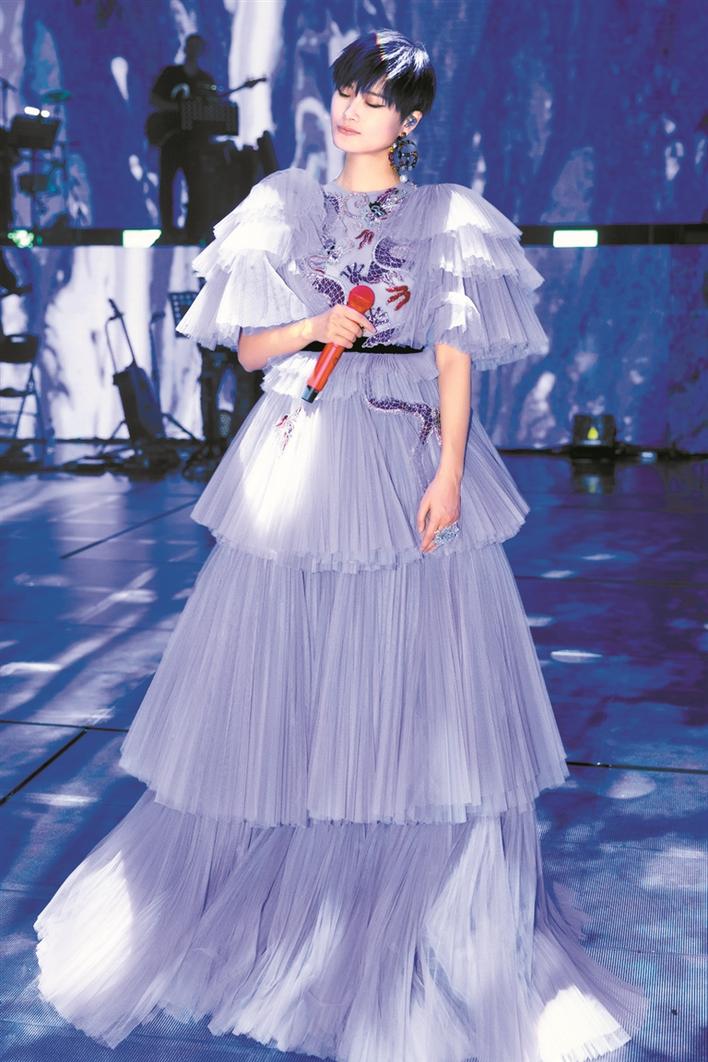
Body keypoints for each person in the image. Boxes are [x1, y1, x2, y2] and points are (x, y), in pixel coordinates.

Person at [33, 29, 648, 1060]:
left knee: (419, 674)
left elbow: (455, 357)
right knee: (293, 668)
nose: (353, 107)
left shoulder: (448, 216)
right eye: (347, 91)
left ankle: (403, 904)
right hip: (305, 447)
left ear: (411, 119)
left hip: (406, 447)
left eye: (376, 97)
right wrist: (314, 327)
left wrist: (450, 472)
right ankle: (289, 904)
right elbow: (247, 346)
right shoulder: (286, 205)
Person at [149, 33, 217, 241]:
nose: (193, 50)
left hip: (195, 142)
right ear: (185, 48)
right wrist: (178, 109)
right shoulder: (170, 74)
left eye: (198, 46)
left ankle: (191, 231)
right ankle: (168, 230)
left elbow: (212, 107)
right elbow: (155, 99)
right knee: (167, 185)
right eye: (191, 46)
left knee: (196, 186)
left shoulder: (205, 80)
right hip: (170, 139)